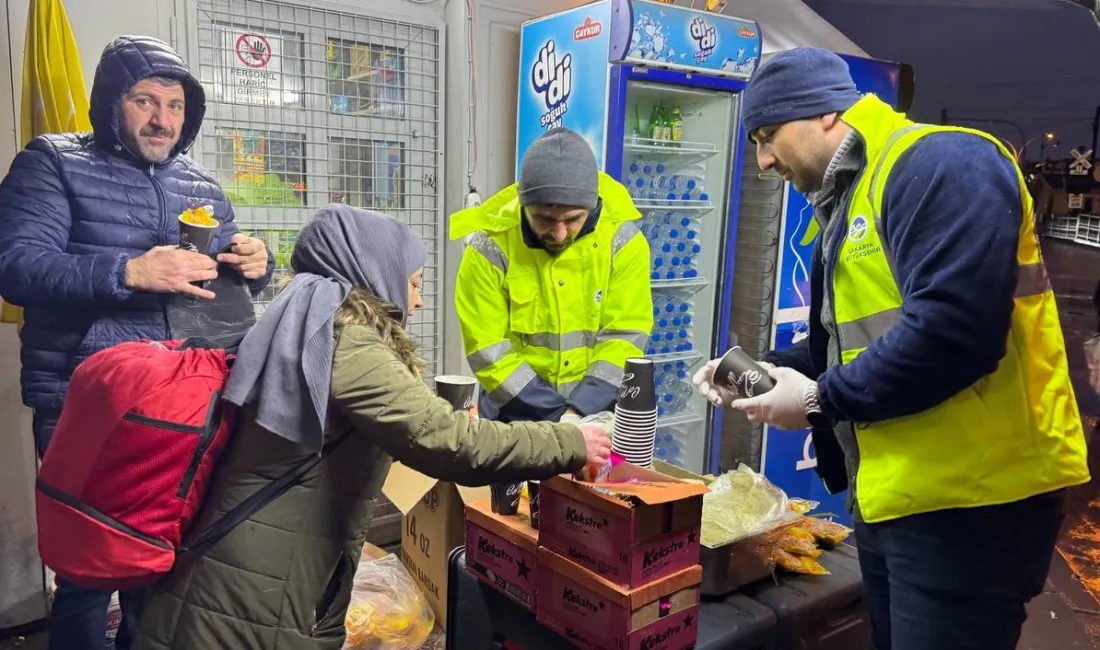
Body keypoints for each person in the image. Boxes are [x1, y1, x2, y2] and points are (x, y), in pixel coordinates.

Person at [693, 47, 1090, 650]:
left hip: (974, 505)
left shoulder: (942, 163)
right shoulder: (851, 198)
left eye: (768, 136)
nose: (764, 159)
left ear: (825, 114)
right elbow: (850, 342)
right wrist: (765, 370)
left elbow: (955, 333)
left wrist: (820, 400)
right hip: (898, 497)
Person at [131, 205, 611, 650]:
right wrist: (572, 440)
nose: (419, 301)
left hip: (239, 572)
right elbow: (451, 445)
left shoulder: (308, 319)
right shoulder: (347, 340)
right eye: (416, 283)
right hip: (249, 597)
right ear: (374, 271)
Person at [0, 35, 273, 650]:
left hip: (180, 398)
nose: (162, 119)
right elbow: (16, 264)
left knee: (159, 553)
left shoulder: (200, 183)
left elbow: (219, 277)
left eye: (175, 106)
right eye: (145, 101)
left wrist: (260, 261)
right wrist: (129, 272)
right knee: (87, 568)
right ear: (109, 104)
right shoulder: (52, 162)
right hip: (83, 396)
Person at [451, 127, 652, 424]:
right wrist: (558, 419)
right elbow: (488, 349)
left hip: (595, 413)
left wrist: (581, 410)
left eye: (572, 220)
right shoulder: (488, 246)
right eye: (544, 218)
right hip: (514, 416)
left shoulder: (623, 242)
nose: (558, 234)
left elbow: (626, 334)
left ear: (593, 204)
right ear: (523, 205)